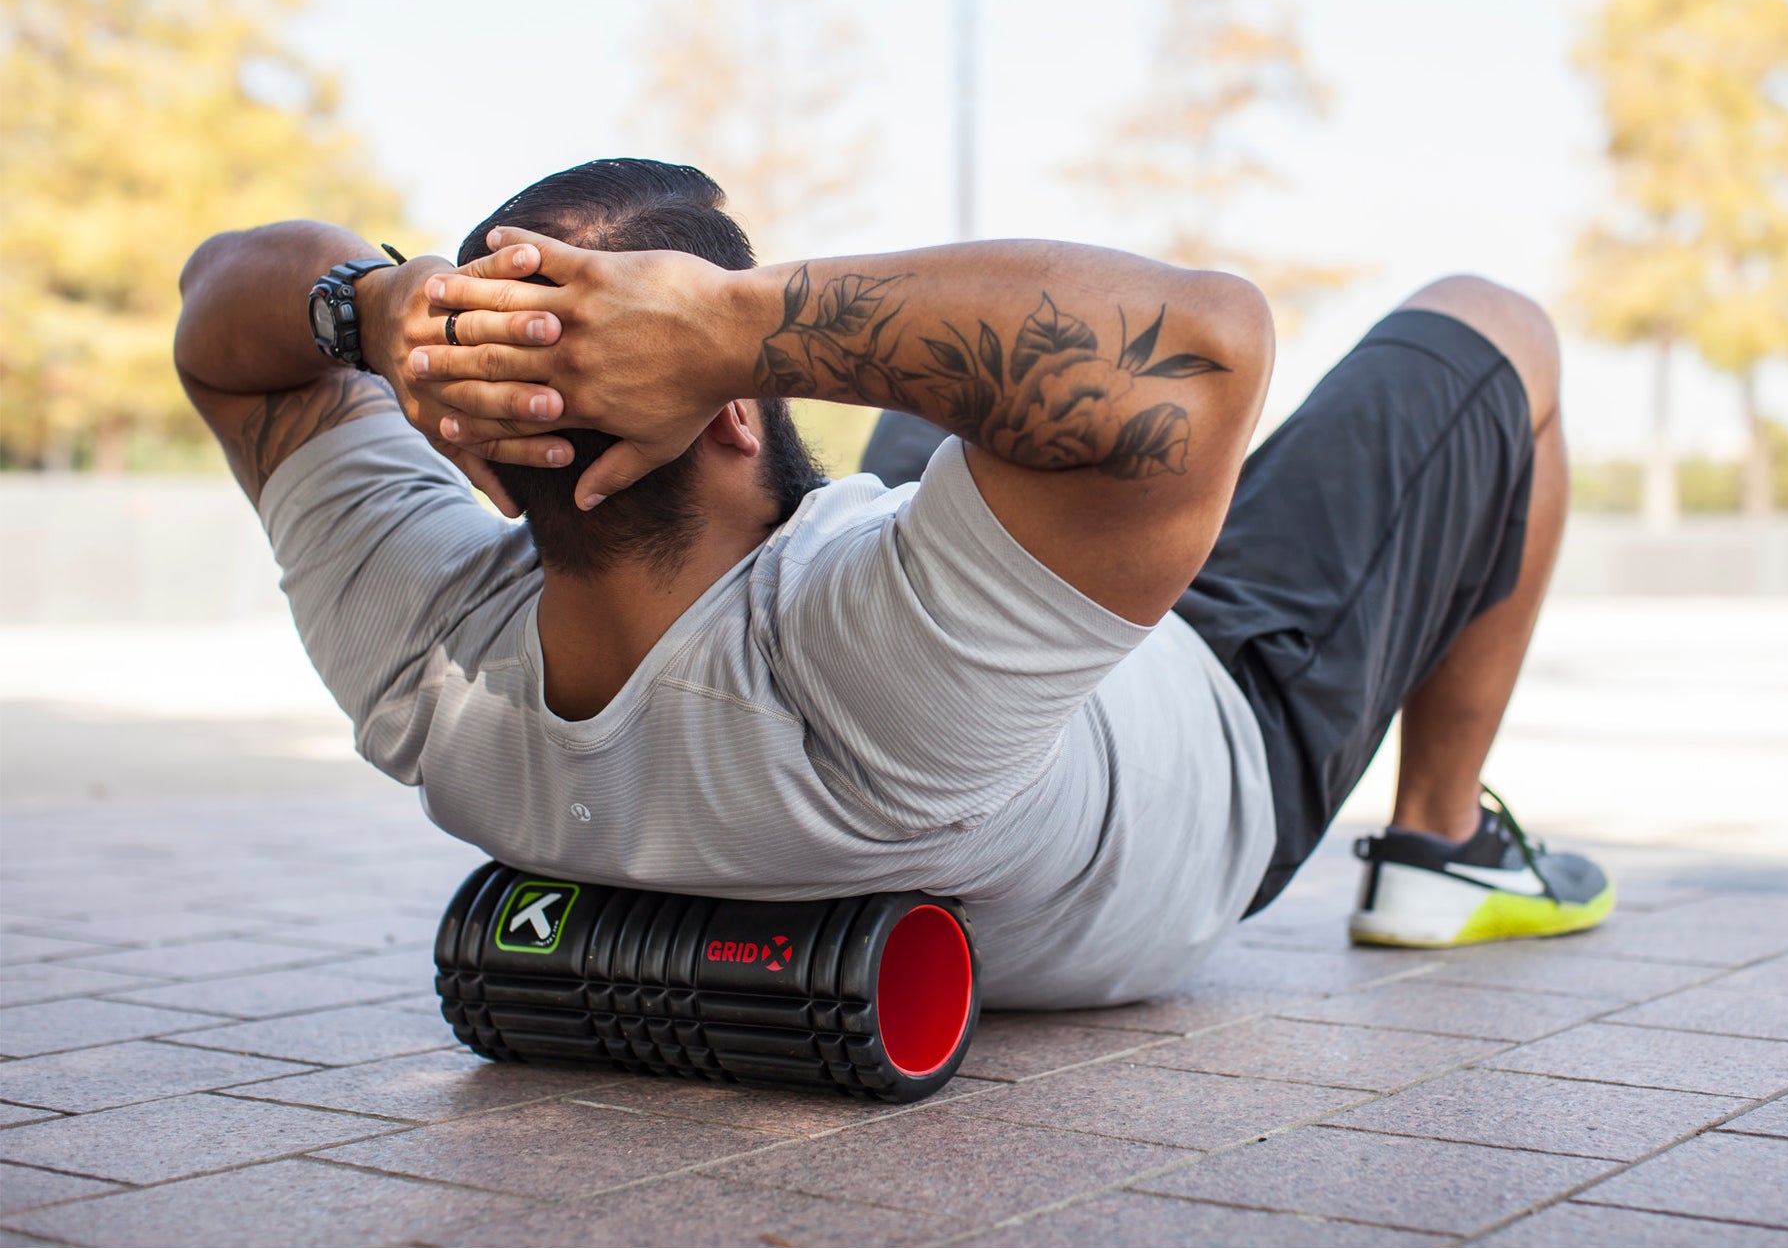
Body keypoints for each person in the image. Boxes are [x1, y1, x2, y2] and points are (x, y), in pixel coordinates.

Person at [174, 158, 1611, 1012]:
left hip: (964, 705)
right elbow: (1203, 344)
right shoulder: (856, 657)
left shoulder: (422, 653)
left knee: (954, 411)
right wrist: (741, 323)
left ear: (475, 445)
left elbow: (217, 313)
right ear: (732, 404)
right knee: (1494, 326)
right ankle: (1440, 844)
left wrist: (372, 303)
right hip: (1211, 724)